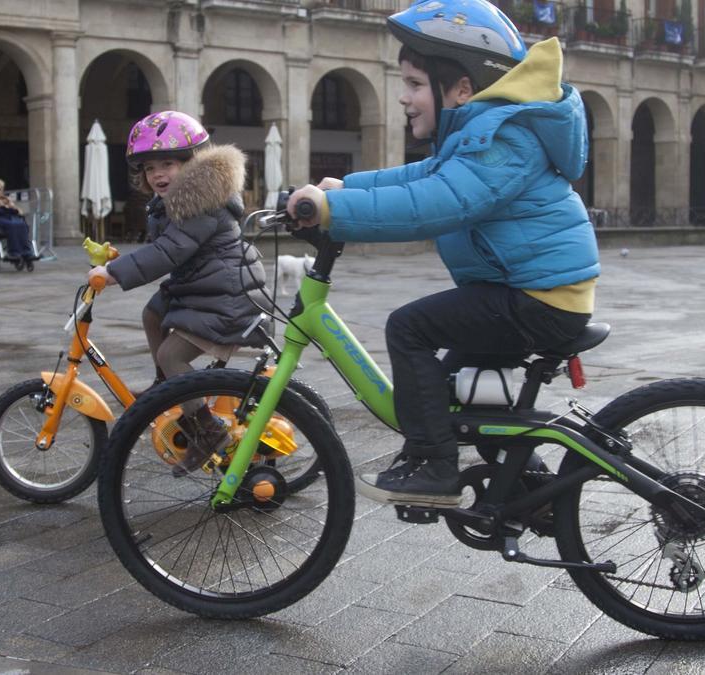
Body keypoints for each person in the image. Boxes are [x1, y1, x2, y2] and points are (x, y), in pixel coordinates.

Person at [287, 0, 600, 507]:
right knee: (459, 396)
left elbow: (435, 203)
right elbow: (419, 178)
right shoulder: (479, 136)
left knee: (409, 328)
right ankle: (533, 493)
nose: (402, 97)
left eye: (413, 84)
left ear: (462, 89)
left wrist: (334, 212)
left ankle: (432, 464)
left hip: (540, 300)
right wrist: (344, 188)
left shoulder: (504, 139)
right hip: (524, 292)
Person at [88, 110, 269, 476]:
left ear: (192, 162)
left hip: (228, 296)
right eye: (149, 168)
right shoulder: (177, 201)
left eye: (167, 164)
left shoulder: (201, 202)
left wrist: (115, 273)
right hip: (204, 286)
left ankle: (206, 430)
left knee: (173, 355)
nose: (157, 175)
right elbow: (170, 248)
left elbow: (170, 252)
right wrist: (119, 263)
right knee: (152, 314)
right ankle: (169, 388)